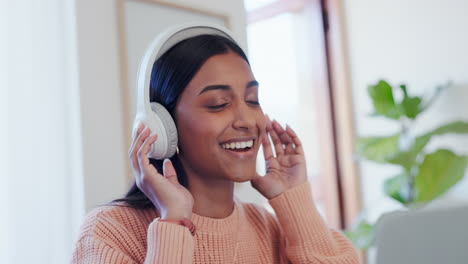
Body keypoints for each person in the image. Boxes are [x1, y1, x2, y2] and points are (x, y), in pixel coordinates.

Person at [71, 24, 359, 264]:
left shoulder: (267, 227)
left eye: (252, 100)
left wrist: (294, 200)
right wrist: (173, 222)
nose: (246, 119)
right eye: (218, 104)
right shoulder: (110, 231)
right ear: (164, 125)